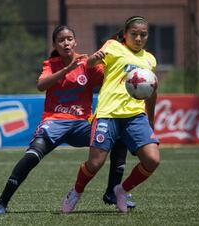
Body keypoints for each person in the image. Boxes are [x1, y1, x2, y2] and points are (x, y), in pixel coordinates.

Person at [0, 25, 135, 214]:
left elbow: (110, 80)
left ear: (75, 42)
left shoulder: (88, 64)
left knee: (119, 137)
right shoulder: (50, 64)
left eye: (69, 39)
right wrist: (67, 69)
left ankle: (111, 192)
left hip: (82, 124)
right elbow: (41, 85)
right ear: (55, 45)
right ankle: (2, 202)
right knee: (32, 156)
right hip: (54, 121)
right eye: (61, 40)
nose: (66, 43)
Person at [62, 16, 160, 214]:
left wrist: (150, 119)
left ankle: (121, 191)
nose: (139, 38)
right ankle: (76, 192)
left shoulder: (150, 59)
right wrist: (94, 58)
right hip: (108, 113)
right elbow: (89, 64)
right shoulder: (113, 46)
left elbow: (152, 91)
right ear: (125, 34)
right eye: (134, 34)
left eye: (143, 35)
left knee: (152, 160)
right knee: (95, 163)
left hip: (135, 115)